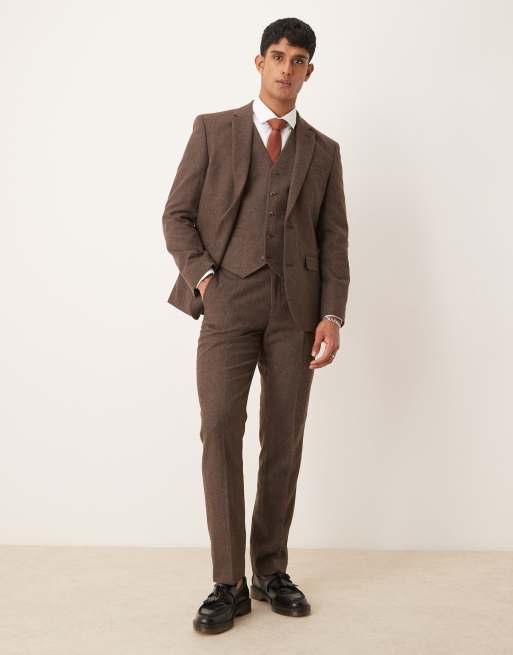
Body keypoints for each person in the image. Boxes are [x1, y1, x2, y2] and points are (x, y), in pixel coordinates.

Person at [161, 17, 350, 634]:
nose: (286, 69)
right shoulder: (213, 130)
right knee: (220, 429)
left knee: (283, 438)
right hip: (227, 303)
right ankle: (228, 582)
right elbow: (177, 215)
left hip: (296, 313)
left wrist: (331, 314)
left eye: (298, 60)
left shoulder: (324, 151)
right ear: (259, 61)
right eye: (277, 56)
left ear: (309, 71)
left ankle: (270, 570)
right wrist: (206, 280)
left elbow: (334, 240)